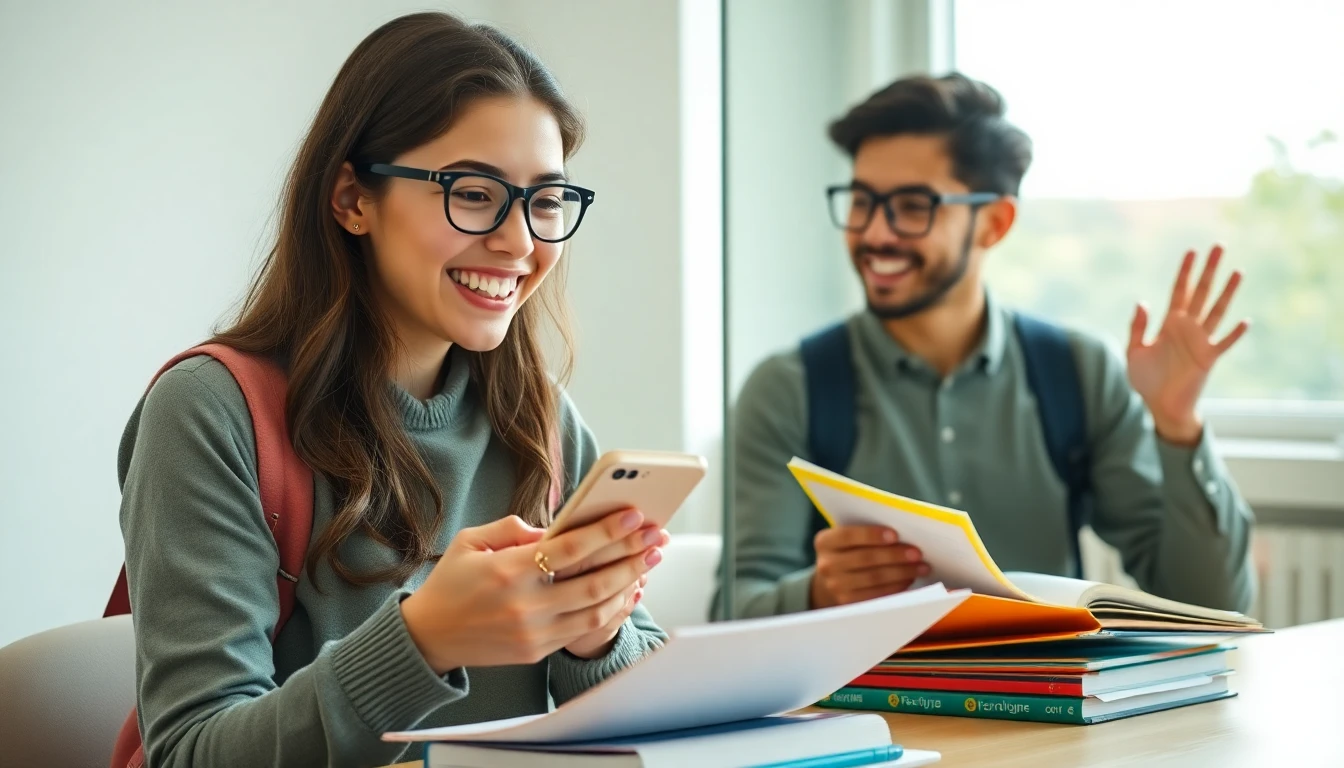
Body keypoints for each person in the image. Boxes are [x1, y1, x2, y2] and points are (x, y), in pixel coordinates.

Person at [118, 12, 669, 767]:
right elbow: (191, 751)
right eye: (473, 193)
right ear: (352, 199)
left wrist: (598, 635)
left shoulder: (539, 422)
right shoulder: (211, 413)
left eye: (546, 202)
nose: (520, 243)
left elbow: (657, 727)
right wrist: (426, 639)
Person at [717, 72, 1255, 621]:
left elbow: (1210, 608)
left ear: (995, 223)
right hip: (869, 707)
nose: (875, 233)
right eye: (861, 202)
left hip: (1055, 702)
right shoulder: (789, 389)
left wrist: (1176, 425)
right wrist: (820, 594)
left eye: (910, 206)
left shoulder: (1078, 374)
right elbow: (732, 614)